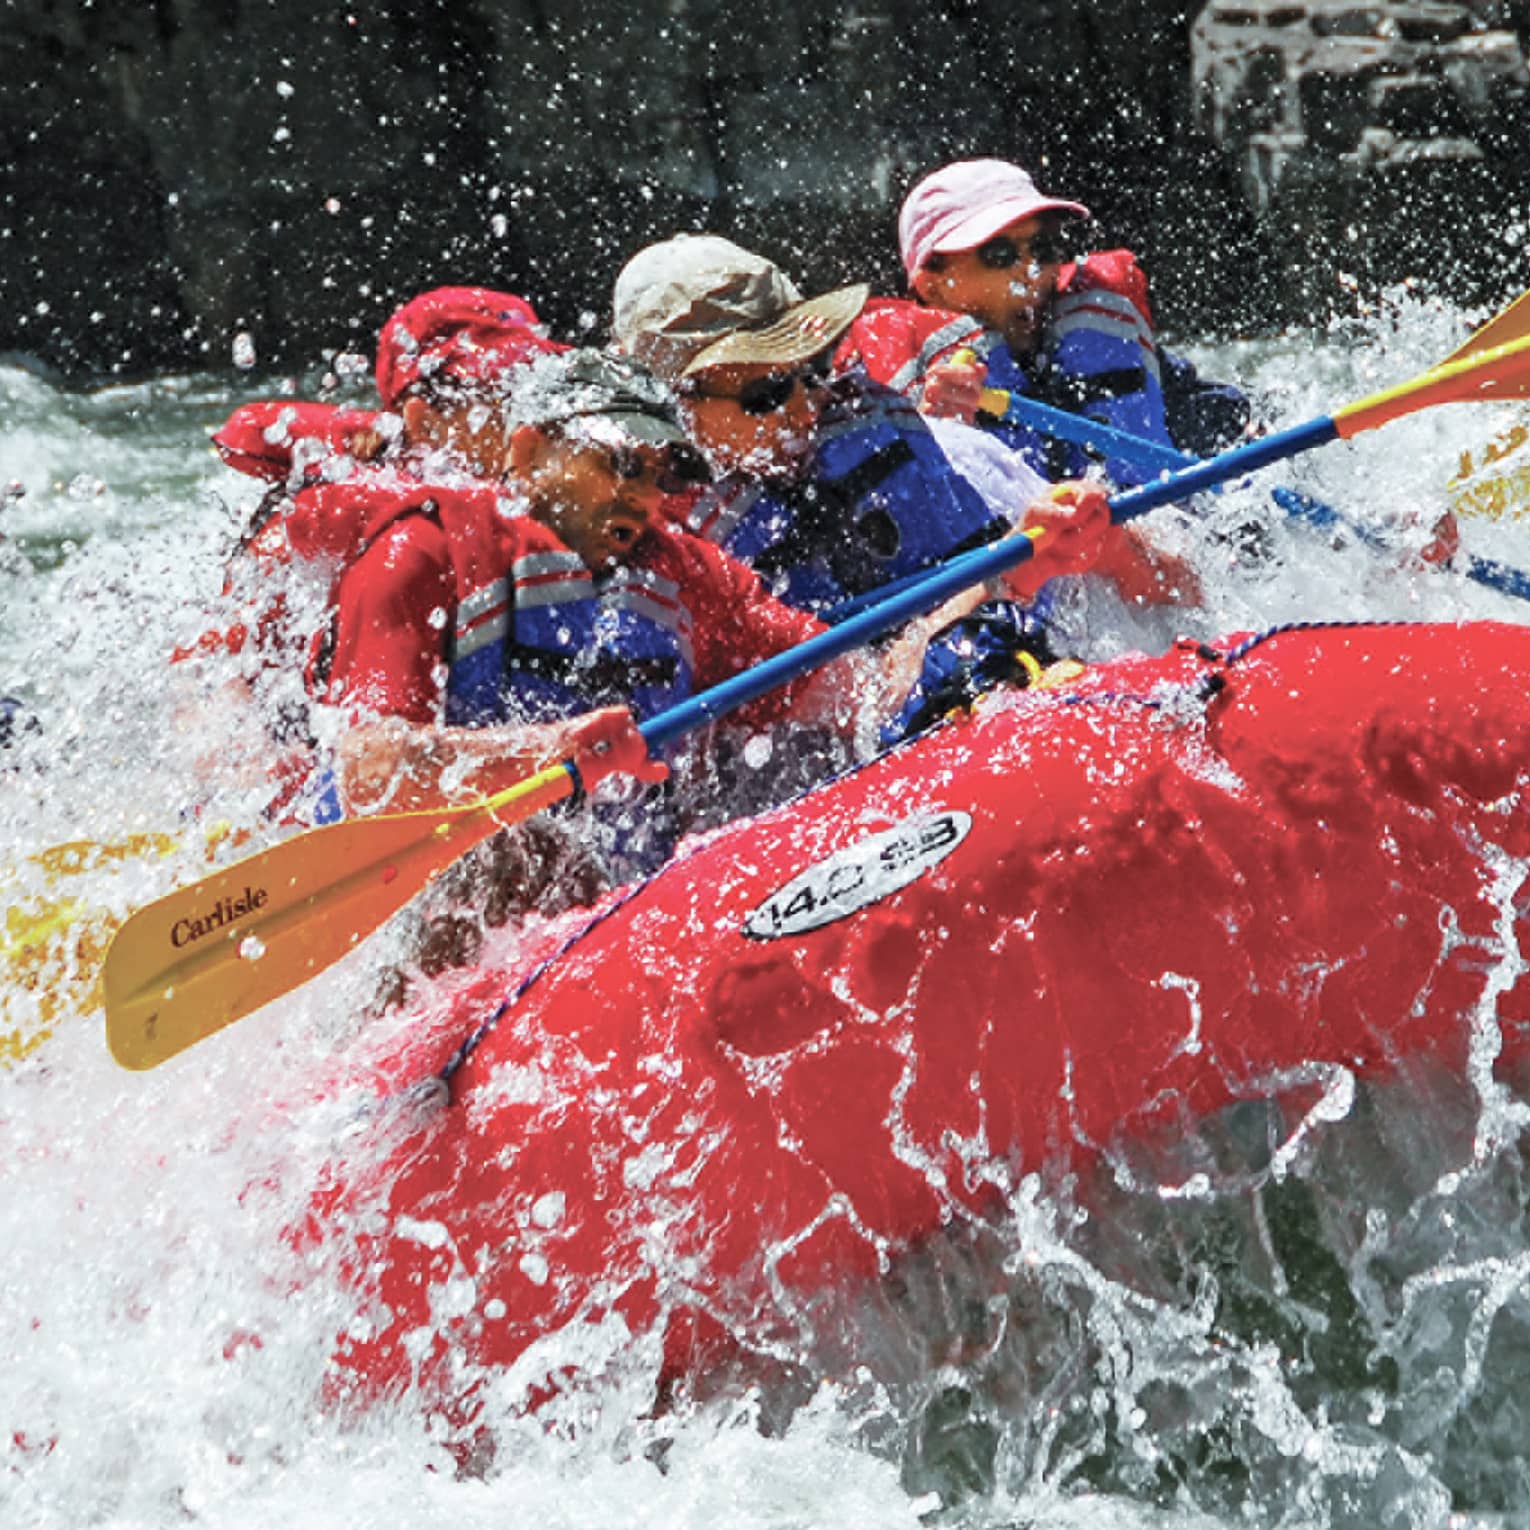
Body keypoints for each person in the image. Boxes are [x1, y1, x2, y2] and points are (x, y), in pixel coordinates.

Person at [612, 233, 1183, 735]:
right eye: (765, 395)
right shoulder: (665, 548)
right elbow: (859, 700)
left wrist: (1058, 552)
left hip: (969, 679)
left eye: (811, 371)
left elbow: (982, 587)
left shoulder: (892, 429)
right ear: (673, 409)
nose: (806, 405)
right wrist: (1005, 578)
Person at [837, 157, 1251, 484]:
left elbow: (1219, 426)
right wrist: (938, 432)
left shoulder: (1099, 335)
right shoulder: (890, 403)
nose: (1030, 271)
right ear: (932, 284)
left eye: (1043, 247)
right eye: (1000, 255)